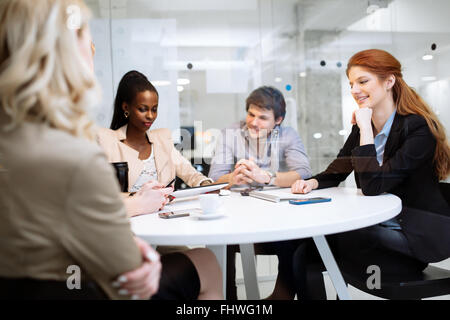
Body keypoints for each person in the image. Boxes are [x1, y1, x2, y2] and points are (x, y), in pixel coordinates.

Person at [0, 0, 222, 300]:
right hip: (79, 285)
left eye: (154, 109)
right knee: (207, 262)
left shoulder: (20, 144)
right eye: (86, 41)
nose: (92, 50)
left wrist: (212, 183)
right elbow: (124, 267)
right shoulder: (80, 152)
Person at [291, 49, 450, 299]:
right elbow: (338, 170)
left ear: (389, 82)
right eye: (351, 83)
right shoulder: (367, 124)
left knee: (330, 234)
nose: (354, 90)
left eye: (363, 81)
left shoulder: (418, 127)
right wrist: (312, 182)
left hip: (415, 234)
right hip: (382, 226)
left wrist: (364, 127)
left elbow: (373, 186)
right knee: (306, 247)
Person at [96, 70, 222, 299]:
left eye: (154, 109)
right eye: (143, 109)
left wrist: (205, 184)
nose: (150, 116)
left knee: (203, 263)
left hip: (165, 230)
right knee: (203, 266)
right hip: (129, 232)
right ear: (126, 107)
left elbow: (189, 172)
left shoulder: (161, 139)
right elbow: (102, 196)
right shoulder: (108, 141)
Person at [208, 86, 312, 300]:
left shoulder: (288, 135)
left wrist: (268, 177)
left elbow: (303, 173)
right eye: (251, 114)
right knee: (220, 239)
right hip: (237, 216)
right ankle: (228, 299)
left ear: (278, 120)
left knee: (295, 236)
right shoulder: (231, 132)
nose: (254, 122)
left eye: (263, 118)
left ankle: (281, 296)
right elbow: (214, 179)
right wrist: (232, 178)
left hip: (275, 214)